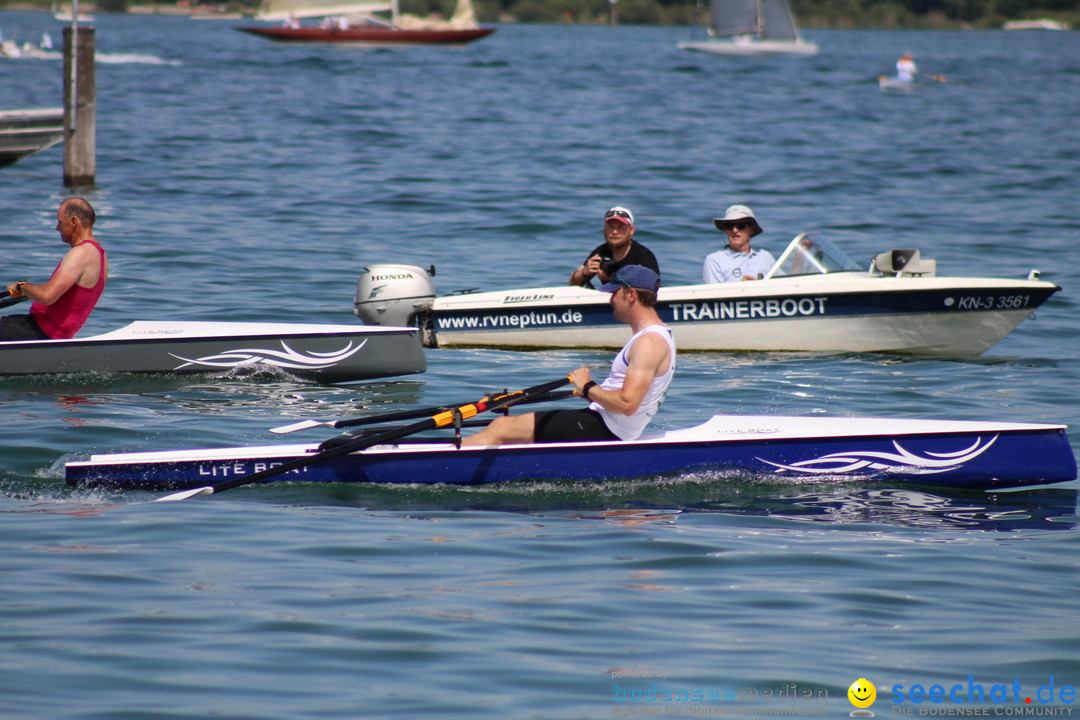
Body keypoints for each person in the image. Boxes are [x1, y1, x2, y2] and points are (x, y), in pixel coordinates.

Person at [464, 265, 675, 446]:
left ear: (631, 295)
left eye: (614, 292)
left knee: (501, 427)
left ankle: (442, 465)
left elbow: (627, 404)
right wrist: (589, 391)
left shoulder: (649, 343)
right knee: (508, 427)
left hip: (606, 429)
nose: (611, 299)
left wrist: (587, 387)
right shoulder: (657, 334)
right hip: (605, 423)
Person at [1, 198, 108, 341]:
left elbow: (47, 296)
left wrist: (21, 286)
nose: (57, 227)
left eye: (60, 222)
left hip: (40, 332)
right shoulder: (101, 254)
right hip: (41, 329)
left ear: (74, 222)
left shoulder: (81, 253)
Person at [569, 206, 660, 289]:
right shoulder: (601, 252)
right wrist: (584, 273)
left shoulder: (643, 256)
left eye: (620, 227)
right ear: (605, 229)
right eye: (611, 227)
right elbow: (573, 284)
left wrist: (612, 279)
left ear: (631, 230)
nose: (615, 232)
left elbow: (652, 288)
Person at [703, 204, 775, 283]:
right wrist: (740, 287)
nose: (734, 230)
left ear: (751, 230)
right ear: (725, 231)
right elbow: (715, 294)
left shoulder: (765, 257)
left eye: (740, 226)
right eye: (729, 226)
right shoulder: (714, 261)